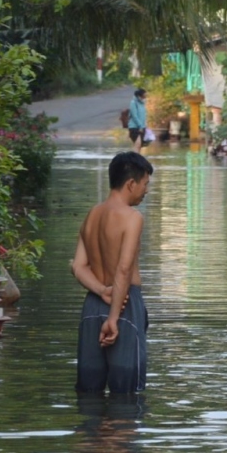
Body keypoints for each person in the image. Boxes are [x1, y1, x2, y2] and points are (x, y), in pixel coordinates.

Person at [72, 151, 154, 395]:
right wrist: (113, 318)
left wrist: (102, 291)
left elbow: (78, 266)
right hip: (124, 306)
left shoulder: (92, 214)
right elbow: (123, 269)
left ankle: (92, 433)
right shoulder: (132, 217)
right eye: (145, 184)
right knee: (127, 394)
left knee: (89, 392)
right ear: (131, 184)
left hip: (93, 306)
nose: (146, 191)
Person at [127, 88, 148, 152]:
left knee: (140, 145)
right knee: (137, 144)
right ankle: (134, 159)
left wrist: (144, 125)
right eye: (144, 96)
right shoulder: (133, 103)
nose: (145, 97)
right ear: (139, 96)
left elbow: (143, 116)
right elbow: (134, 116)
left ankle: (136, 159)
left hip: (142, 127)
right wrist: (140, 126)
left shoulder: (142, 103)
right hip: (134, 127)